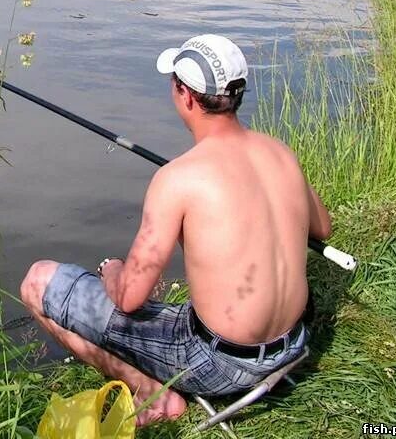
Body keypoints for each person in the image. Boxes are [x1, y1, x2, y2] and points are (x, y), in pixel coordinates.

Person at [20, 34, 332, 426]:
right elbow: (324, 228)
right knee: (175, 310)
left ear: (185, 95)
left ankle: (152, 394)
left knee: (38, 281)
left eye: (174, 84)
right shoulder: (281, 153)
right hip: (292, 345)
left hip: (218, 364)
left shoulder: (177, 179)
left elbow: (129, 298)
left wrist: (110, 267)